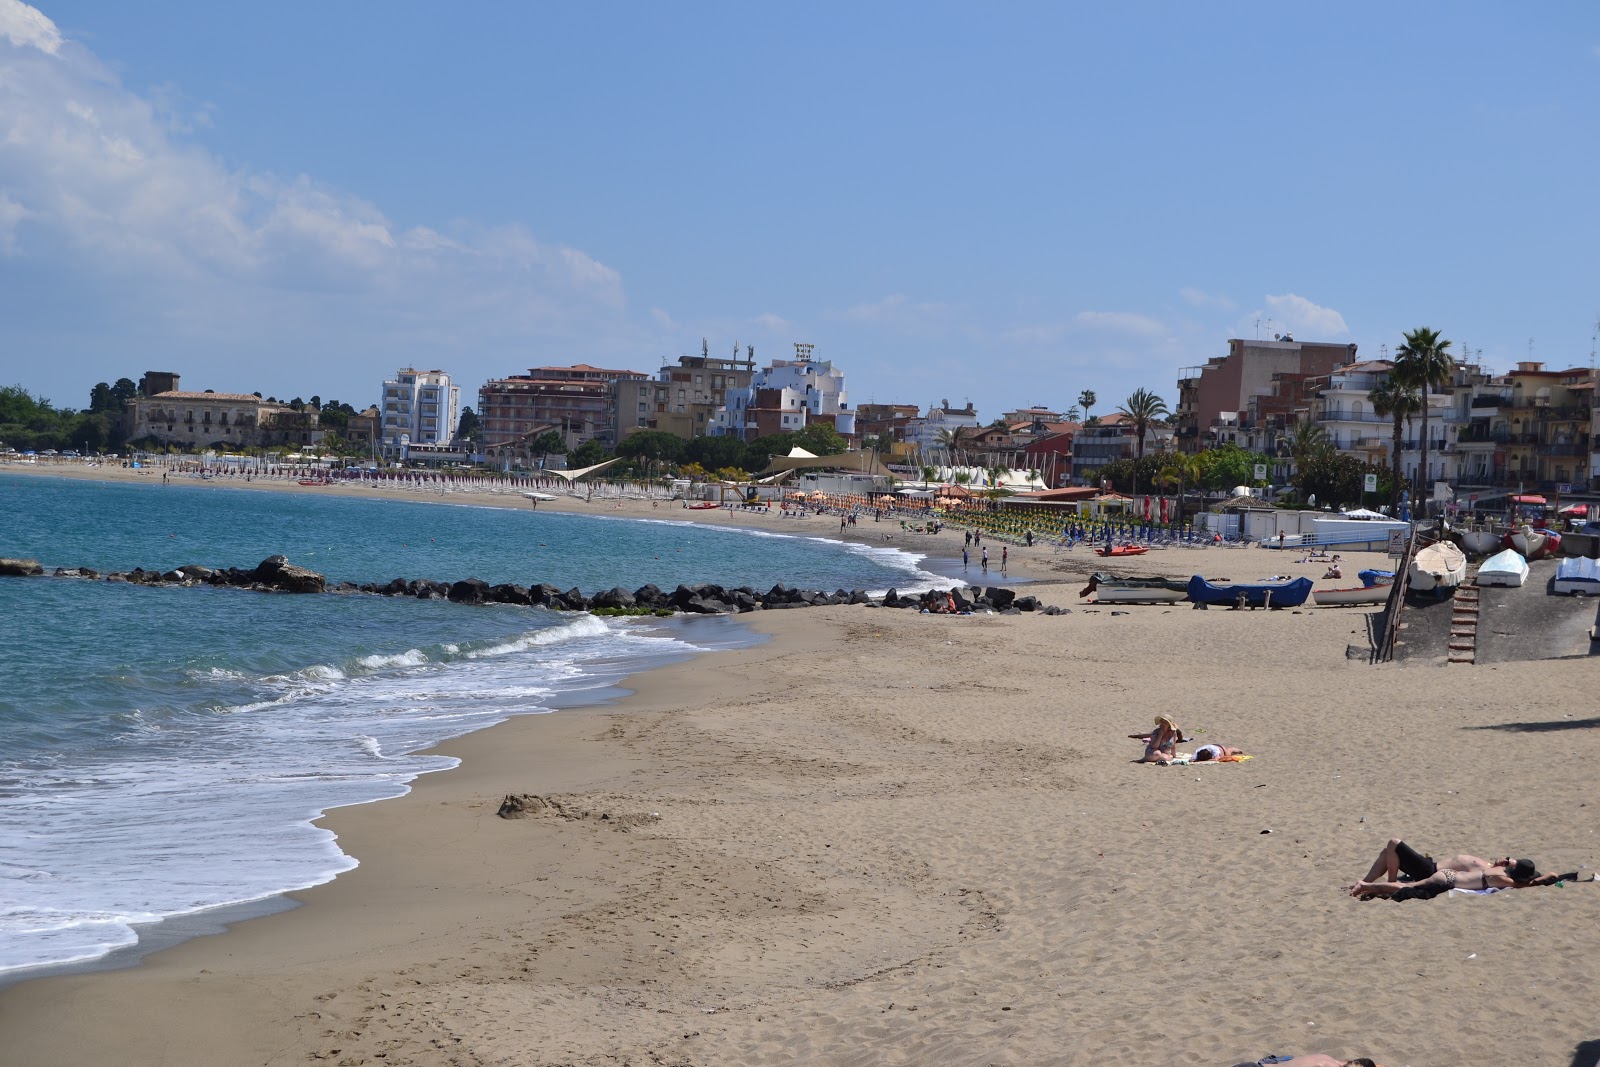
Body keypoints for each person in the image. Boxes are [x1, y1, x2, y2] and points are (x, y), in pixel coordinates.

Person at [1346, 838, 1562, 899]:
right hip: (1444, 875)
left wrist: (1544, 877)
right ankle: (1367, 884)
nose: (1504, 862)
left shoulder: (1500, 876)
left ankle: (1372, 886)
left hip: (1438, 874)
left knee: (1395, 848)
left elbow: (1528, 883)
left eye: (1508, 864)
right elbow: (1530, 882)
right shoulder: (1498, 873)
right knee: (1388, 853)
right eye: (1507, 859)